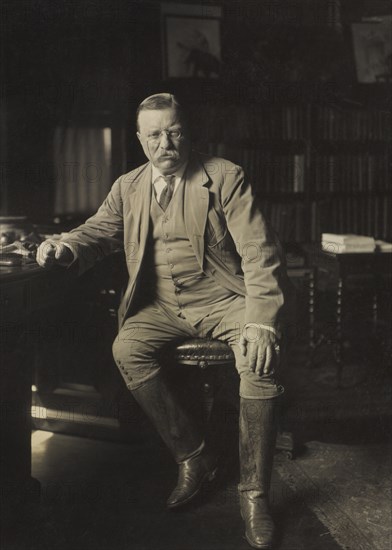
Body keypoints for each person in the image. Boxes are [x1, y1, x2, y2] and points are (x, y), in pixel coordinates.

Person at [37, 93, 293, 550]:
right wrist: (66, 245)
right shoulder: (127, 187)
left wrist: (261, 321)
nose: (165, 143)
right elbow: (98, 231)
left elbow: (259, 250)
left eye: (173, 132)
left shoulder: (225, 177)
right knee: (125, 349)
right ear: (141, 141)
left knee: (259, 359)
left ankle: (255, 496)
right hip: (161, 307)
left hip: (224, 300)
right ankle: (194, 456)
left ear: (187, 132)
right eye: (154, 135)